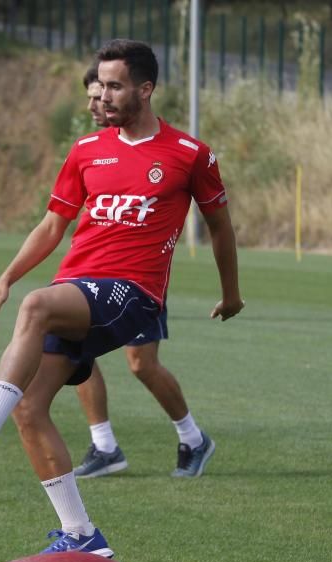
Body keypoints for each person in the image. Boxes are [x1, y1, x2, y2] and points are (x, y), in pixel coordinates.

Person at [0, 40, 243, 558]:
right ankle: (83, 535)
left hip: (134, 293)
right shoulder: (87, 151)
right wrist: (7, 277)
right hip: (79, 288)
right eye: (100, 85)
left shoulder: (189, 154)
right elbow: (52, 225)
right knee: (31, 410)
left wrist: (231, 294)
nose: (102, 95)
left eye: (114, 85)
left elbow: (220, 227)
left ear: (145, 89)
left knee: (40, 309)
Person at [73, 65, 216, 480]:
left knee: (141, 364)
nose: (95, 104)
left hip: (140, 280)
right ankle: (105, 446)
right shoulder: (92, 148)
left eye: (101, 94)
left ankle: (192, 438)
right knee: (74, 351)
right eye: (92, 96)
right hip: (93, 276)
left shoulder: (170, 150)